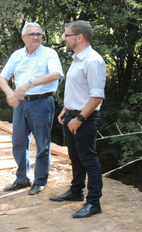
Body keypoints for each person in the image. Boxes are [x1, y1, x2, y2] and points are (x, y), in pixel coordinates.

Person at [0, 22, 64, 195]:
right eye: (32, 34)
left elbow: (56, 74)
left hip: (41, 102)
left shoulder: (49, 53)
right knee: (18, 143)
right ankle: (22, 179)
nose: (36, 37)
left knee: (42, 143)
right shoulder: (17, 55)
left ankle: (40, 181)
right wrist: (9, 93)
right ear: (23, 37)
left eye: (39, 34)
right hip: (20, 104)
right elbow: (2, 77)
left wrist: (29, 84)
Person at [49, 20, 106, 218]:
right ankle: (76, 191)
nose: (64, 39)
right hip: (72, 116)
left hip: (85, 118)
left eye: (67, 35)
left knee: (89, 159)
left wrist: (80, 118)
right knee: (75, 157)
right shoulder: (77, 59)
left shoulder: (93, 60)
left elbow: (97, 95)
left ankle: (94, 203)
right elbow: (78, 90)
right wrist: (66, 110)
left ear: (79, 37)